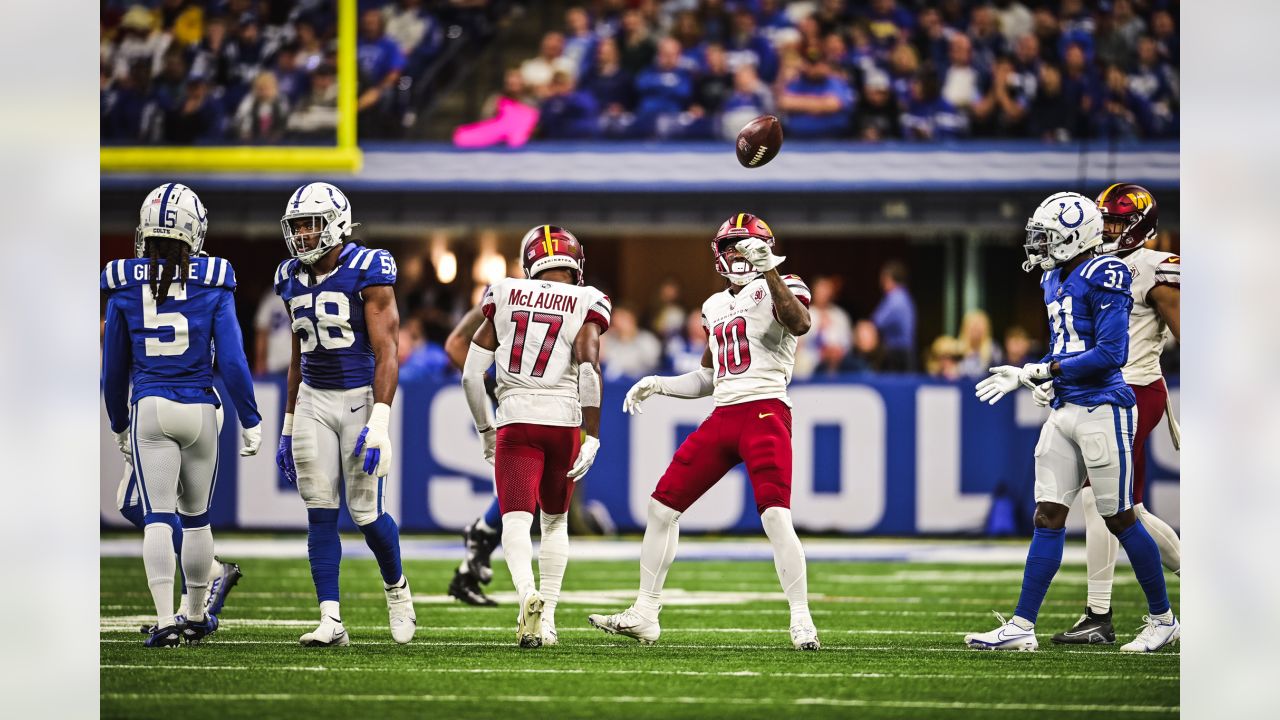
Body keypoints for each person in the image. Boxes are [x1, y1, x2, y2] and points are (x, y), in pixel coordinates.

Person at [588, 213, 820, 651]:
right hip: (724, 414)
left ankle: (801, 619)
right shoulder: (714, 306)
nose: (736, 254)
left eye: (743, 245)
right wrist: (659, 383)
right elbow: (710, 378)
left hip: (766, 411)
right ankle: (645, 612)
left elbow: (800, 323)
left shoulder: (784, 282)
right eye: (731, 247)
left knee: (774, 515)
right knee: (661, 507)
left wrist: (769, 268)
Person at [966, 191, 1178, 653]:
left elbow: (1110, 354)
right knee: (1048, 514)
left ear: (1073, 237)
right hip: (1066, 409)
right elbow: (1066, 346)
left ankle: (1163, 619)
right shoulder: (1053, 277)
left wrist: (1045, 371)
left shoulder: (1108, 273)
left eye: (1047, 237)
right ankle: (1022, 626)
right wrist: (1038, 376)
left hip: (1104, 406)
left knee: (1121, 517)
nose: (1039, 246)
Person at [102, 183, 262, 647]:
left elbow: (113, 369)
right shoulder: (214, 279)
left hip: (150, 407)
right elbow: (231, 360)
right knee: (197, 520)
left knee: (156, 517)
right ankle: (195, 614)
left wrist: (117, 421)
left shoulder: (123, 283)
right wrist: (250, 418)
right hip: (200, 408)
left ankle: (165, 620)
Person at [273, 183, 415, 647]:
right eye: (297, 226)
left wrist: (380, 420)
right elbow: (297, 356)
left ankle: (397, 589)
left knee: (366, 513)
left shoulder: (369, 268)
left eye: (310, 224)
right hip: (314, 396)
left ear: (334, 223)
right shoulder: (289, 276)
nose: (303, 234)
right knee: (319, 511)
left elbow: (387, 350)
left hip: (359, 398)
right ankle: (331, 619)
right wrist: (289, 423)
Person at [462, 226, 611, 647]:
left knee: (515, 520)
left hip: (516, 419)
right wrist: (592, 434)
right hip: (563, 422)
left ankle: (527, 593)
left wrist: (486, 430)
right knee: (555, 521)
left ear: (530, 263)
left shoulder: (504, 293)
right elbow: (588, 370)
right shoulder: (587, 300)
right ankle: (548, 618)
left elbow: (472, 375)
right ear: (575, 264)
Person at [1049, 183, 1181, 645]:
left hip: (1135, 389)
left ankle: (1098, 612)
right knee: (1130, 506)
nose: (1108, 230)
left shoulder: (1152, 268)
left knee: (1098, 498)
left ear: (1141, 226)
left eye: (1118, 223)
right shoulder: (1088, 266)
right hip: (1098, 390)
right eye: (1104, 221)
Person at [443, 303, 504, 607]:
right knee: (518, 491)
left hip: (540, 404)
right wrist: (489, 385)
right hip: (512, 404)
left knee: (524, 495)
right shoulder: (503, 293)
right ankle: (479, 534)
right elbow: (455, 344)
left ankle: (465, 577)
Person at [871, 260, 916, 371]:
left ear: (888, 279)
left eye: (883, 279)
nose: (881, 283)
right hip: (904, 352)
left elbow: (877, 322)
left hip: (897, 354)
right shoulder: (905, 296)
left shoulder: (895, 298)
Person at [602, 305, 661, 379]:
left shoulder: (648, 340)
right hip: (615, 385)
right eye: (615, 319)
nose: (618, 323)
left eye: (622, 318)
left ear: (632, 319)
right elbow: (603, 361)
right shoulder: (610, 340)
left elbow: (652, 366)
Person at [956, 308, 1002, 377]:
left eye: (979, 327)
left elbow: (998, 375)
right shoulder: (956, 350)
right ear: (965, 328)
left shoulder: (993, 350)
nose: (976, 330)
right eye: (973, 327)